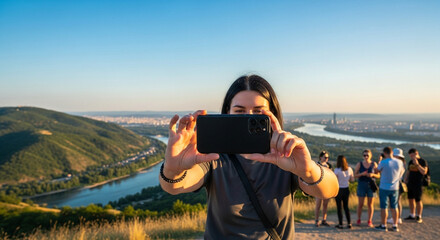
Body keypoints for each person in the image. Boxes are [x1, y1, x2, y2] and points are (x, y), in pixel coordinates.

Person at [159, 75, 339, 239]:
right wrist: (173, 168)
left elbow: (330, 190)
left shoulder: (285, 156)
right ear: (226, 113)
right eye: (239, 111)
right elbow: (175, 186)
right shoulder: (213, 157)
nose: (248, 118)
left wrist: (308, 170)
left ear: (273, 115)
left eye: (258, 111)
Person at [375, 146, 405, 232]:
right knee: (394, 206)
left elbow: (377, 171)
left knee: (384, 207)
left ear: (384, 153)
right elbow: (401, 173)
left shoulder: (383, 162)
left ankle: (383, 225)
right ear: (392, 152)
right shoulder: (400, 162)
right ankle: (395, 225)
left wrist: (379, 160)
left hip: (384, 187)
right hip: (395, 187)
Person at [354, 149, 379, 227]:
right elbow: (354, 175)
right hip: (362, 184)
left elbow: (378, 175)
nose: (366, 157)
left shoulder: (374, 164)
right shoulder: (359, 164)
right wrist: (361, 174)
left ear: (371, 155)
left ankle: (369, 220)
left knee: (370, 204)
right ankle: (358, 219)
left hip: (371, 185)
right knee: (360, 204)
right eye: (364, 155)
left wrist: (372, 175)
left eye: (367, 155)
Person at [404, 148, 428, 223]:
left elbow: (424, 172)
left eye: (412, 155)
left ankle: (419, 216)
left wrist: (417, 164)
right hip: (410, 183)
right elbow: (408, 171)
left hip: (418, 183)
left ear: (416, 153)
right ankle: (412, 215)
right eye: (410, 156)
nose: (411, 157)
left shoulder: (423, 161)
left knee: (418, 200)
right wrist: (406, 179)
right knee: (410, 199)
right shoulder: (410, 161)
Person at [334, 155, 354, 229]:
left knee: (339, 208)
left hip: (339, 189)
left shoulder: (337, 170)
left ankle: (341, 224)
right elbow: (352, 180)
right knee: (346, 207)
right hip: (346, 189)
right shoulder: (349, 169)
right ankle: (349, 223)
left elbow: (335, 181)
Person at [314, 150, 333, 227]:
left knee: (325, 205)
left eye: (327, 157)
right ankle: (316, 220)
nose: (326, 159)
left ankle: (324, 220)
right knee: (318, 205)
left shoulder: (329, 165)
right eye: (325, 157)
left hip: (327, 187)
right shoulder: (317, 165)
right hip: (318, 187)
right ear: (320, 157)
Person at [387, 148, 405, 224]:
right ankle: (398, 217)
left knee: (394, 202)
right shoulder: (402, 163)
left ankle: (396, 218)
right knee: (398, 201)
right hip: (399, 183)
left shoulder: (397, 163)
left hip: (395, 183)